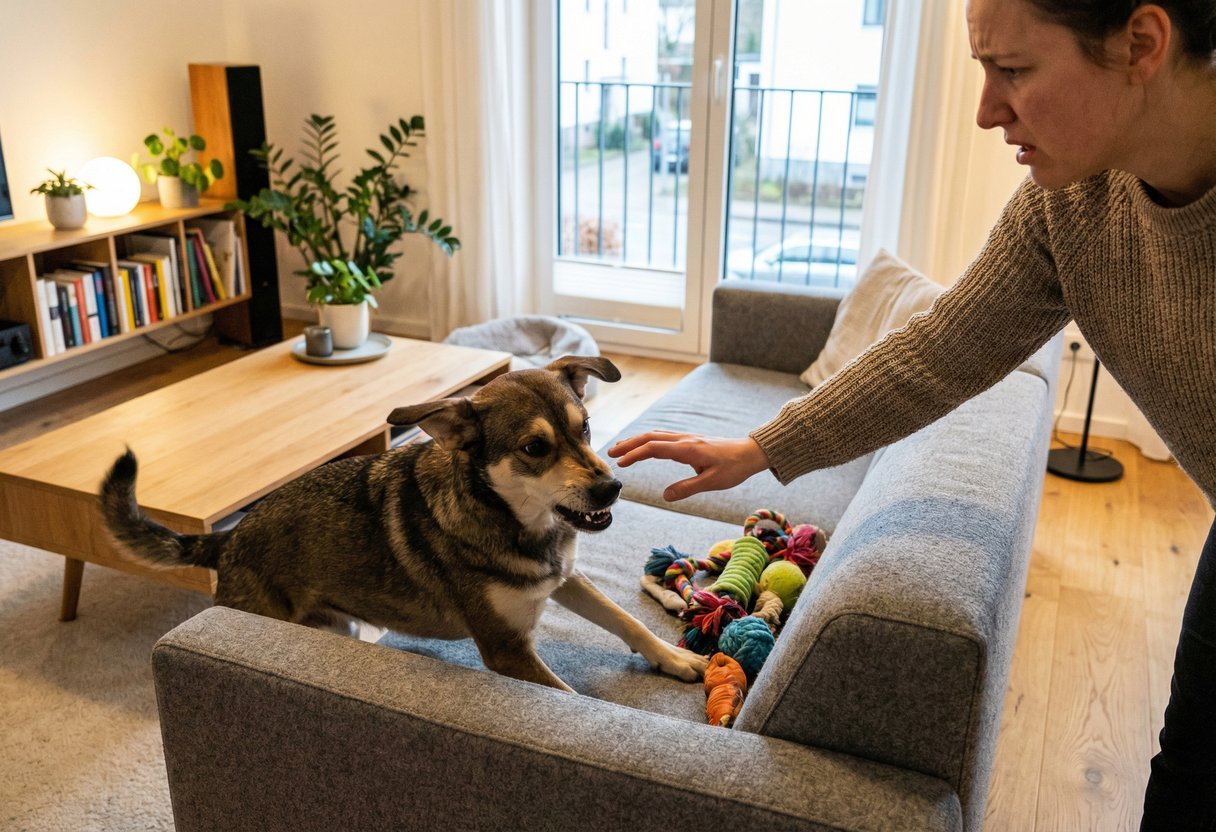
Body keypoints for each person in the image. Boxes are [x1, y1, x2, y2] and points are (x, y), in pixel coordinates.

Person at [609, 1, 1216, 828]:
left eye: (1015, 70)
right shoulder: (1070, 208)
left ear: (1140, 44)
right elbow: (936, 353)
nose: (986, 110)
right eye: (981, 70)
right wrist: (759, 448)